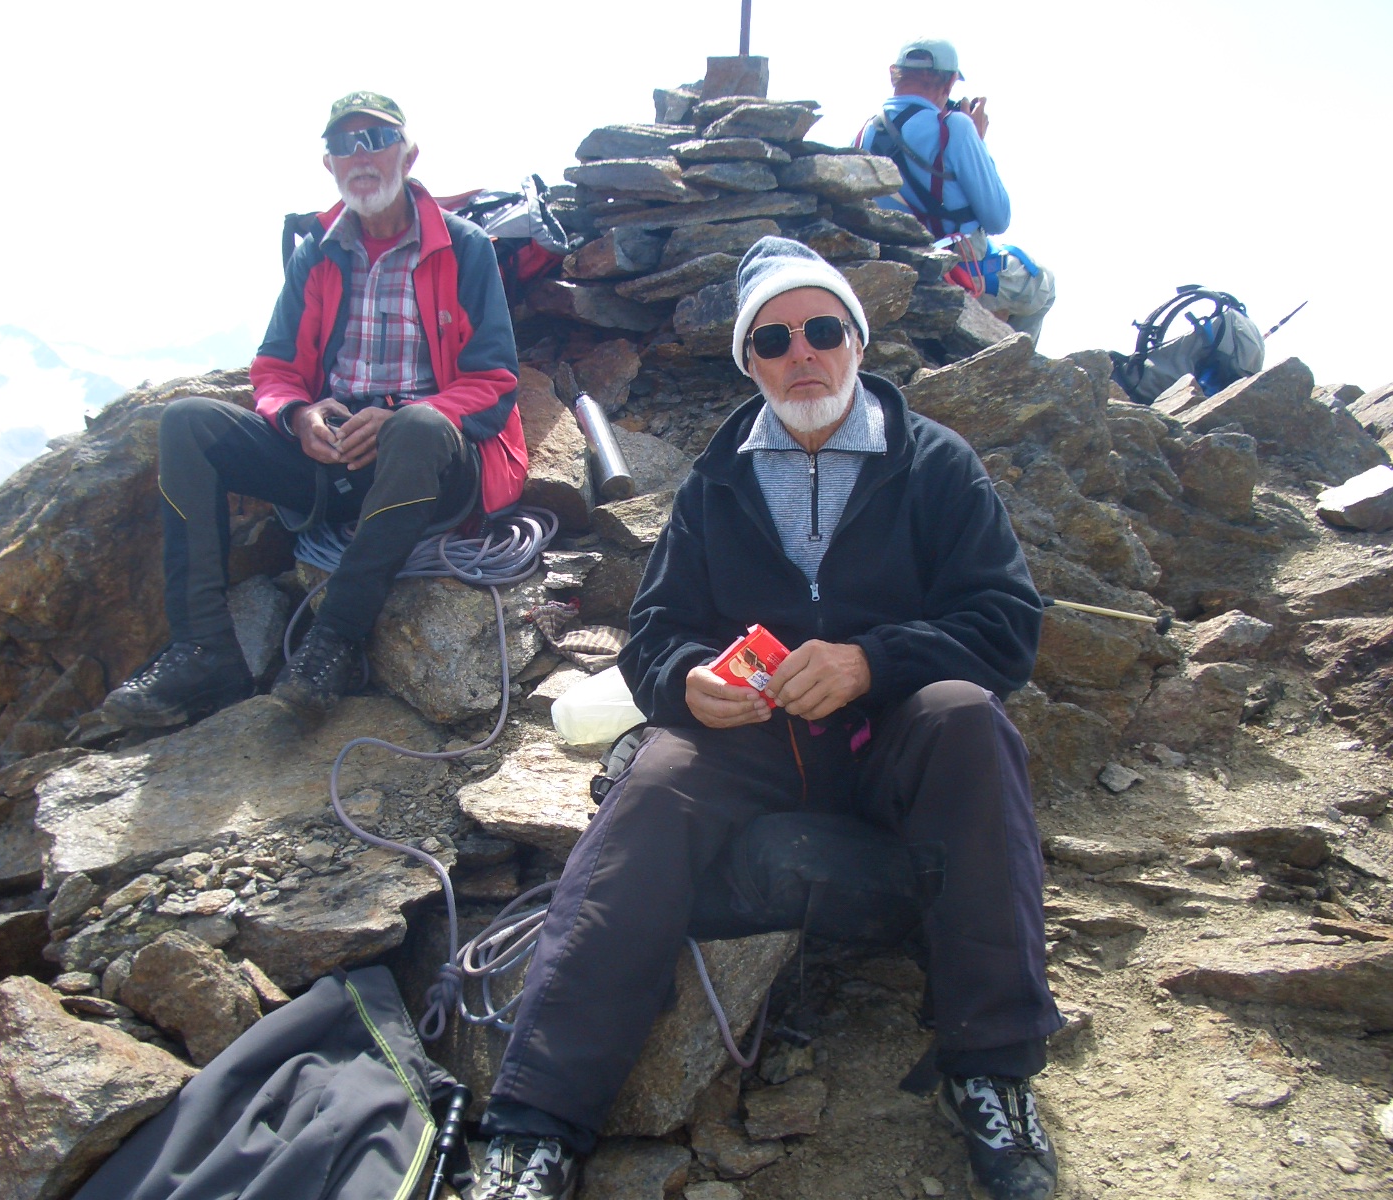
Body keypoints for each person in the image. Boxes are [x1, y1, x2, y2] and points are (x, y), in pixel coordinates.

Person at [470, 238, 1064, 1200]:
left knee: (967, 717)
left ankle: (992, 1069)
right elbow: (654, 634)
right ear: (750, 362)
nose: (802, 354)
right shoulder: (718, 481)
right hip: (755, 734)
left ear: (857, 342)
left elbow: (1006, 628)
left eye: (822, 329)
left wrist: (873, 661)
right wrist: (687, 681)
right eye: (774, 340)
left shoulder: (935, 465)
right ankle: (534, 1123)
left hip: (895, 735)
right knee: (656, 784)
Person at [102, 91, 525, 728]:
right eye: (343, 144)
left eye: (376, 139)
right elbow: (275, 369)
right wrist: (298, 417)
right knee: (188, 423)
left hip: (427, 461)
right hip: (335, 456)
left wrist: (401, 415)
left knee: (415, 427)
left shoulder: (463, 247)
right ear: (328, 164)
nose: (361, 156)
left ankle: (334, 642)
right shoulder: (317, 252)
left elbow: (493, 380)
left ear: (408, 154)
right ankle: (203, 652)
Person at [858, 37, 1057, 343]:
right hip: (959, 266)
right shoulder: (955, 128)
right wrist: (978, 140)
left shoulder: (863, 135)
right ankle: (1012, 362)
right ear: (950, 82)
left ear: (893, 74)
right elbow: (998, 218)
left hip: (895, 262)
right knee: (1043, 284)